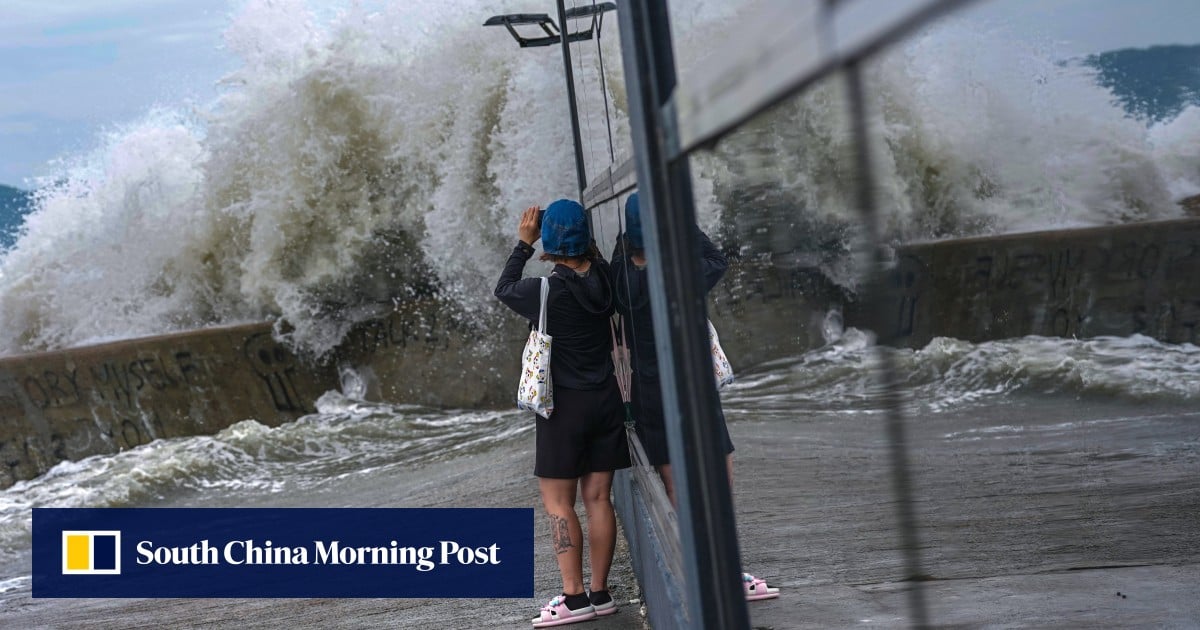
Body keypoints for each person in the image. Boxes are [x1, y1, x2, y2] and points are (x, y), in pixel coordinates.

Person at [610, 191, 780, 602]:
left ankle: (693, 569)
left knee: (674, 486)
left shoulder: (618, 279)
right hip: (693, 388)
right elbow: (717, 259)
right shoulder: (681, 273)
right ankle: (723, 569)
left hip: (651, 391)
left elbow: (617, 255)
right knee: (717, 473)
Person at [494, 198, 632, 627]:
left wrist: (522, 244)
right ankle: (600, 592)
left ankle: (573, 600)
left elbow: (504, 287)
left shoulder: (544, 291)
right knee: (597, 499)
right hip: (606, 400)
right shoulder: (607, 280)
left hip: (563, 409)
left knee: (558, 503)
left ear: (549, 243)